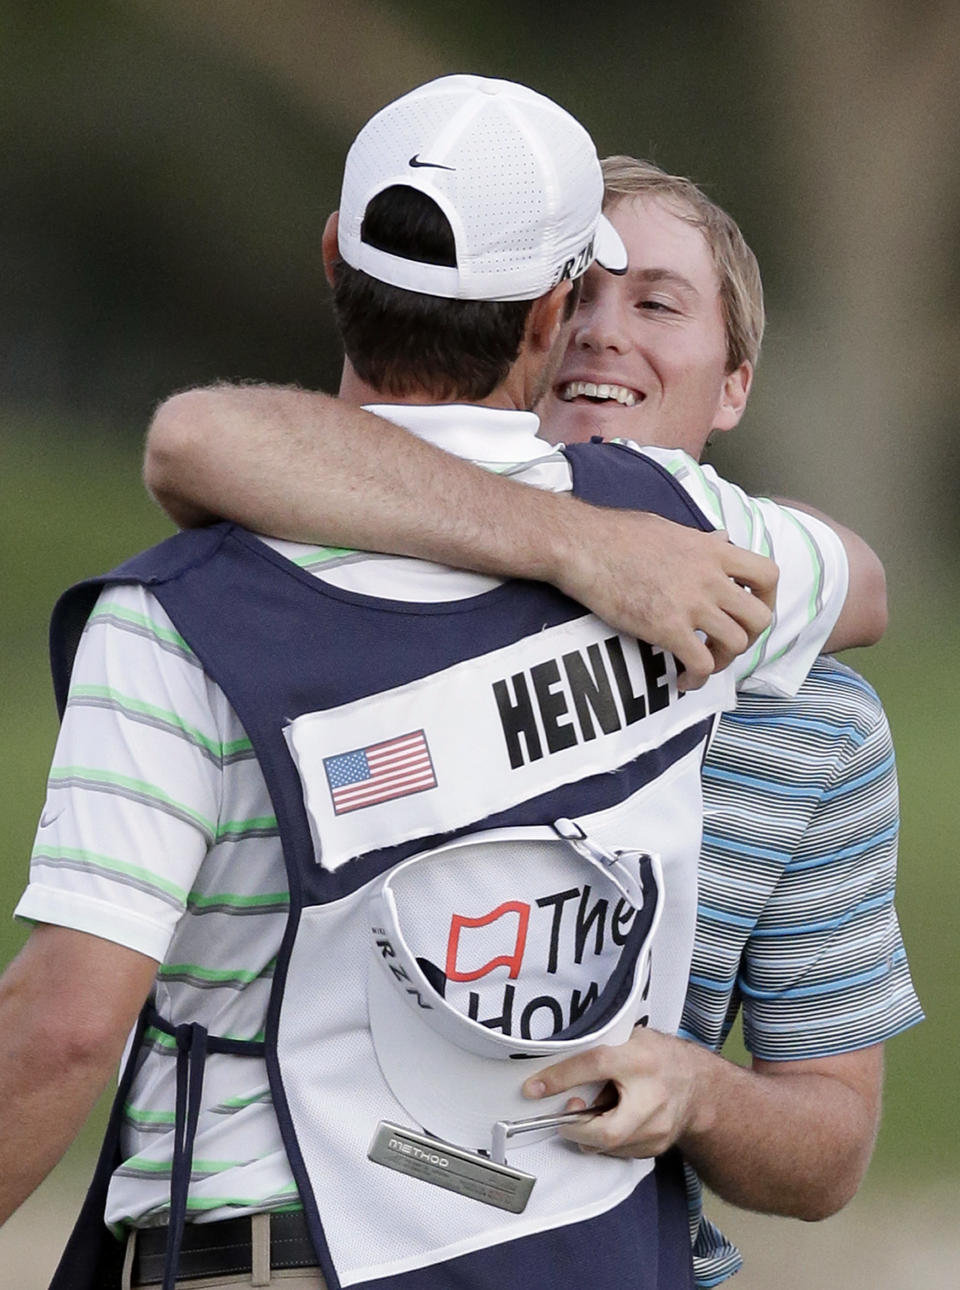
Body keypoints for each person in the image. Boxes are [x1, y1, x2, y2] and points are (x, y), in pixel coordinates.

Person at [2, 77, 873, 1290]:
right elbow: (863, 581)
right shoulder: (695, 537)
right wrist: (576, 541)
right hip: (589, 1257)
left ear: (330, 257)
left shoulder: (174, 621)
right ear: (552, 313)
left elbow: (62, 1031)